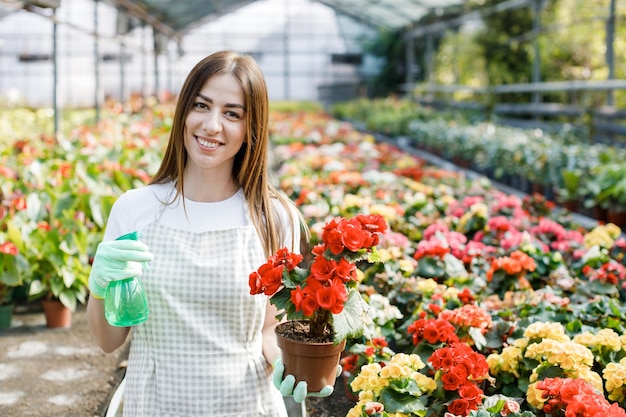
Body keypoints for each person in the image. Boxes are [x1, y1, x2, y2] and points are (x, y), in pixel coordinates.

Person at [86, 50, 335, 416]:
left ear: (252, 128)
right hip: (154, 402)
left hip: (246, 404)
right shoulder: (135, 209)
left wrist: (293, 364)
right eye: (201, 106)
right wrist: (99, 287)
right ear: (183, 112)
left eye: (232, 113)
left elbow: (270, 328)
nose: (212, 125)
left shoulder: (274, 218)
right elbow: (109, 341)